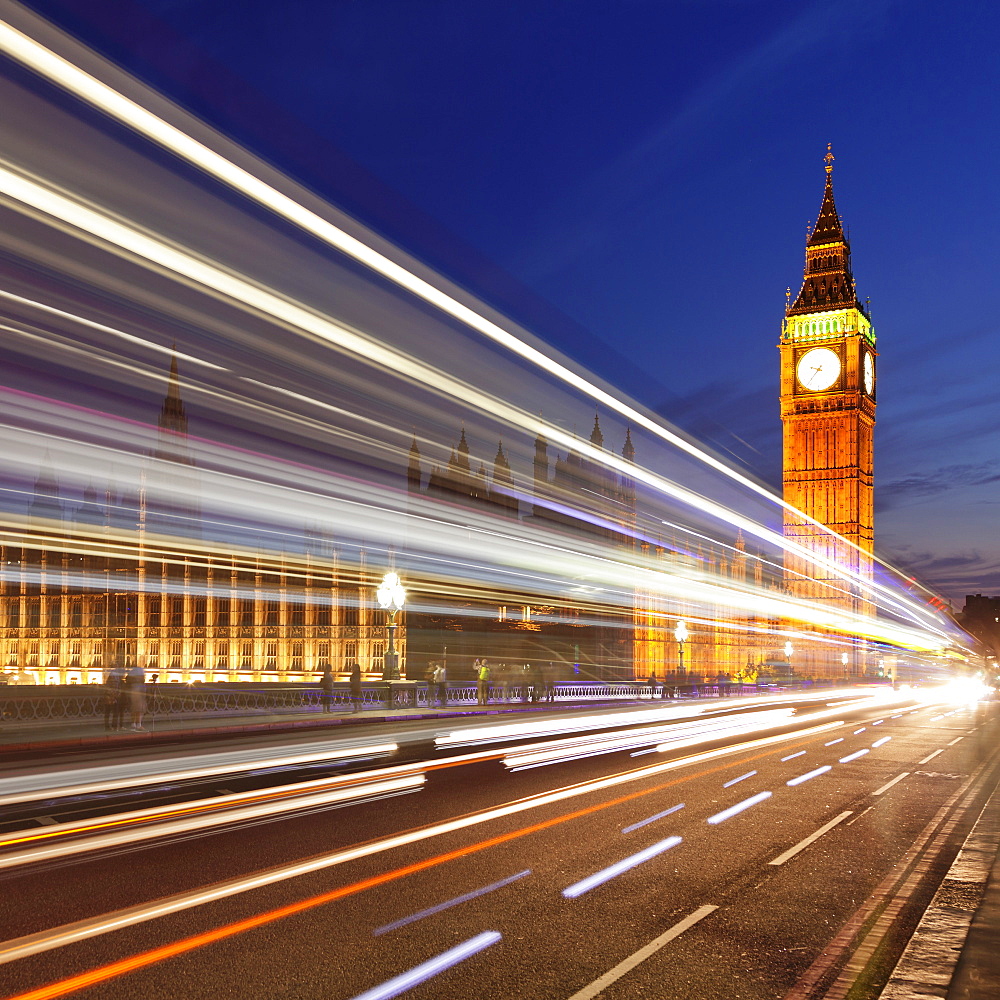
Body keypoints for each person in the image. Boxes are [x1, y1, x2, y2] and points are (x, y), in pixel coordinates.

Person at [124, 658, 147, 732]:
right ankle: (138, 724)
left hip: (132, 694)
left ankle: (133, 724)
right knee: (139, 710)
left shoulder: (131, 676)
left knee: (134, 709)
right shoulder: (139, 678)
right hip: (139, 694)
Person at [103, 660, 126, 731]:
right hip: (111, 696)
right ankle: (111, 726)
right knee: (111, 711)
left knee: (111, 712)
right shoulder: (114, 675)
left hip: (111, 695)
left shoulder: (115, 675)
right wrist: (116, 695)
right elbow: (113, 686)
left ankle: (113, 726)